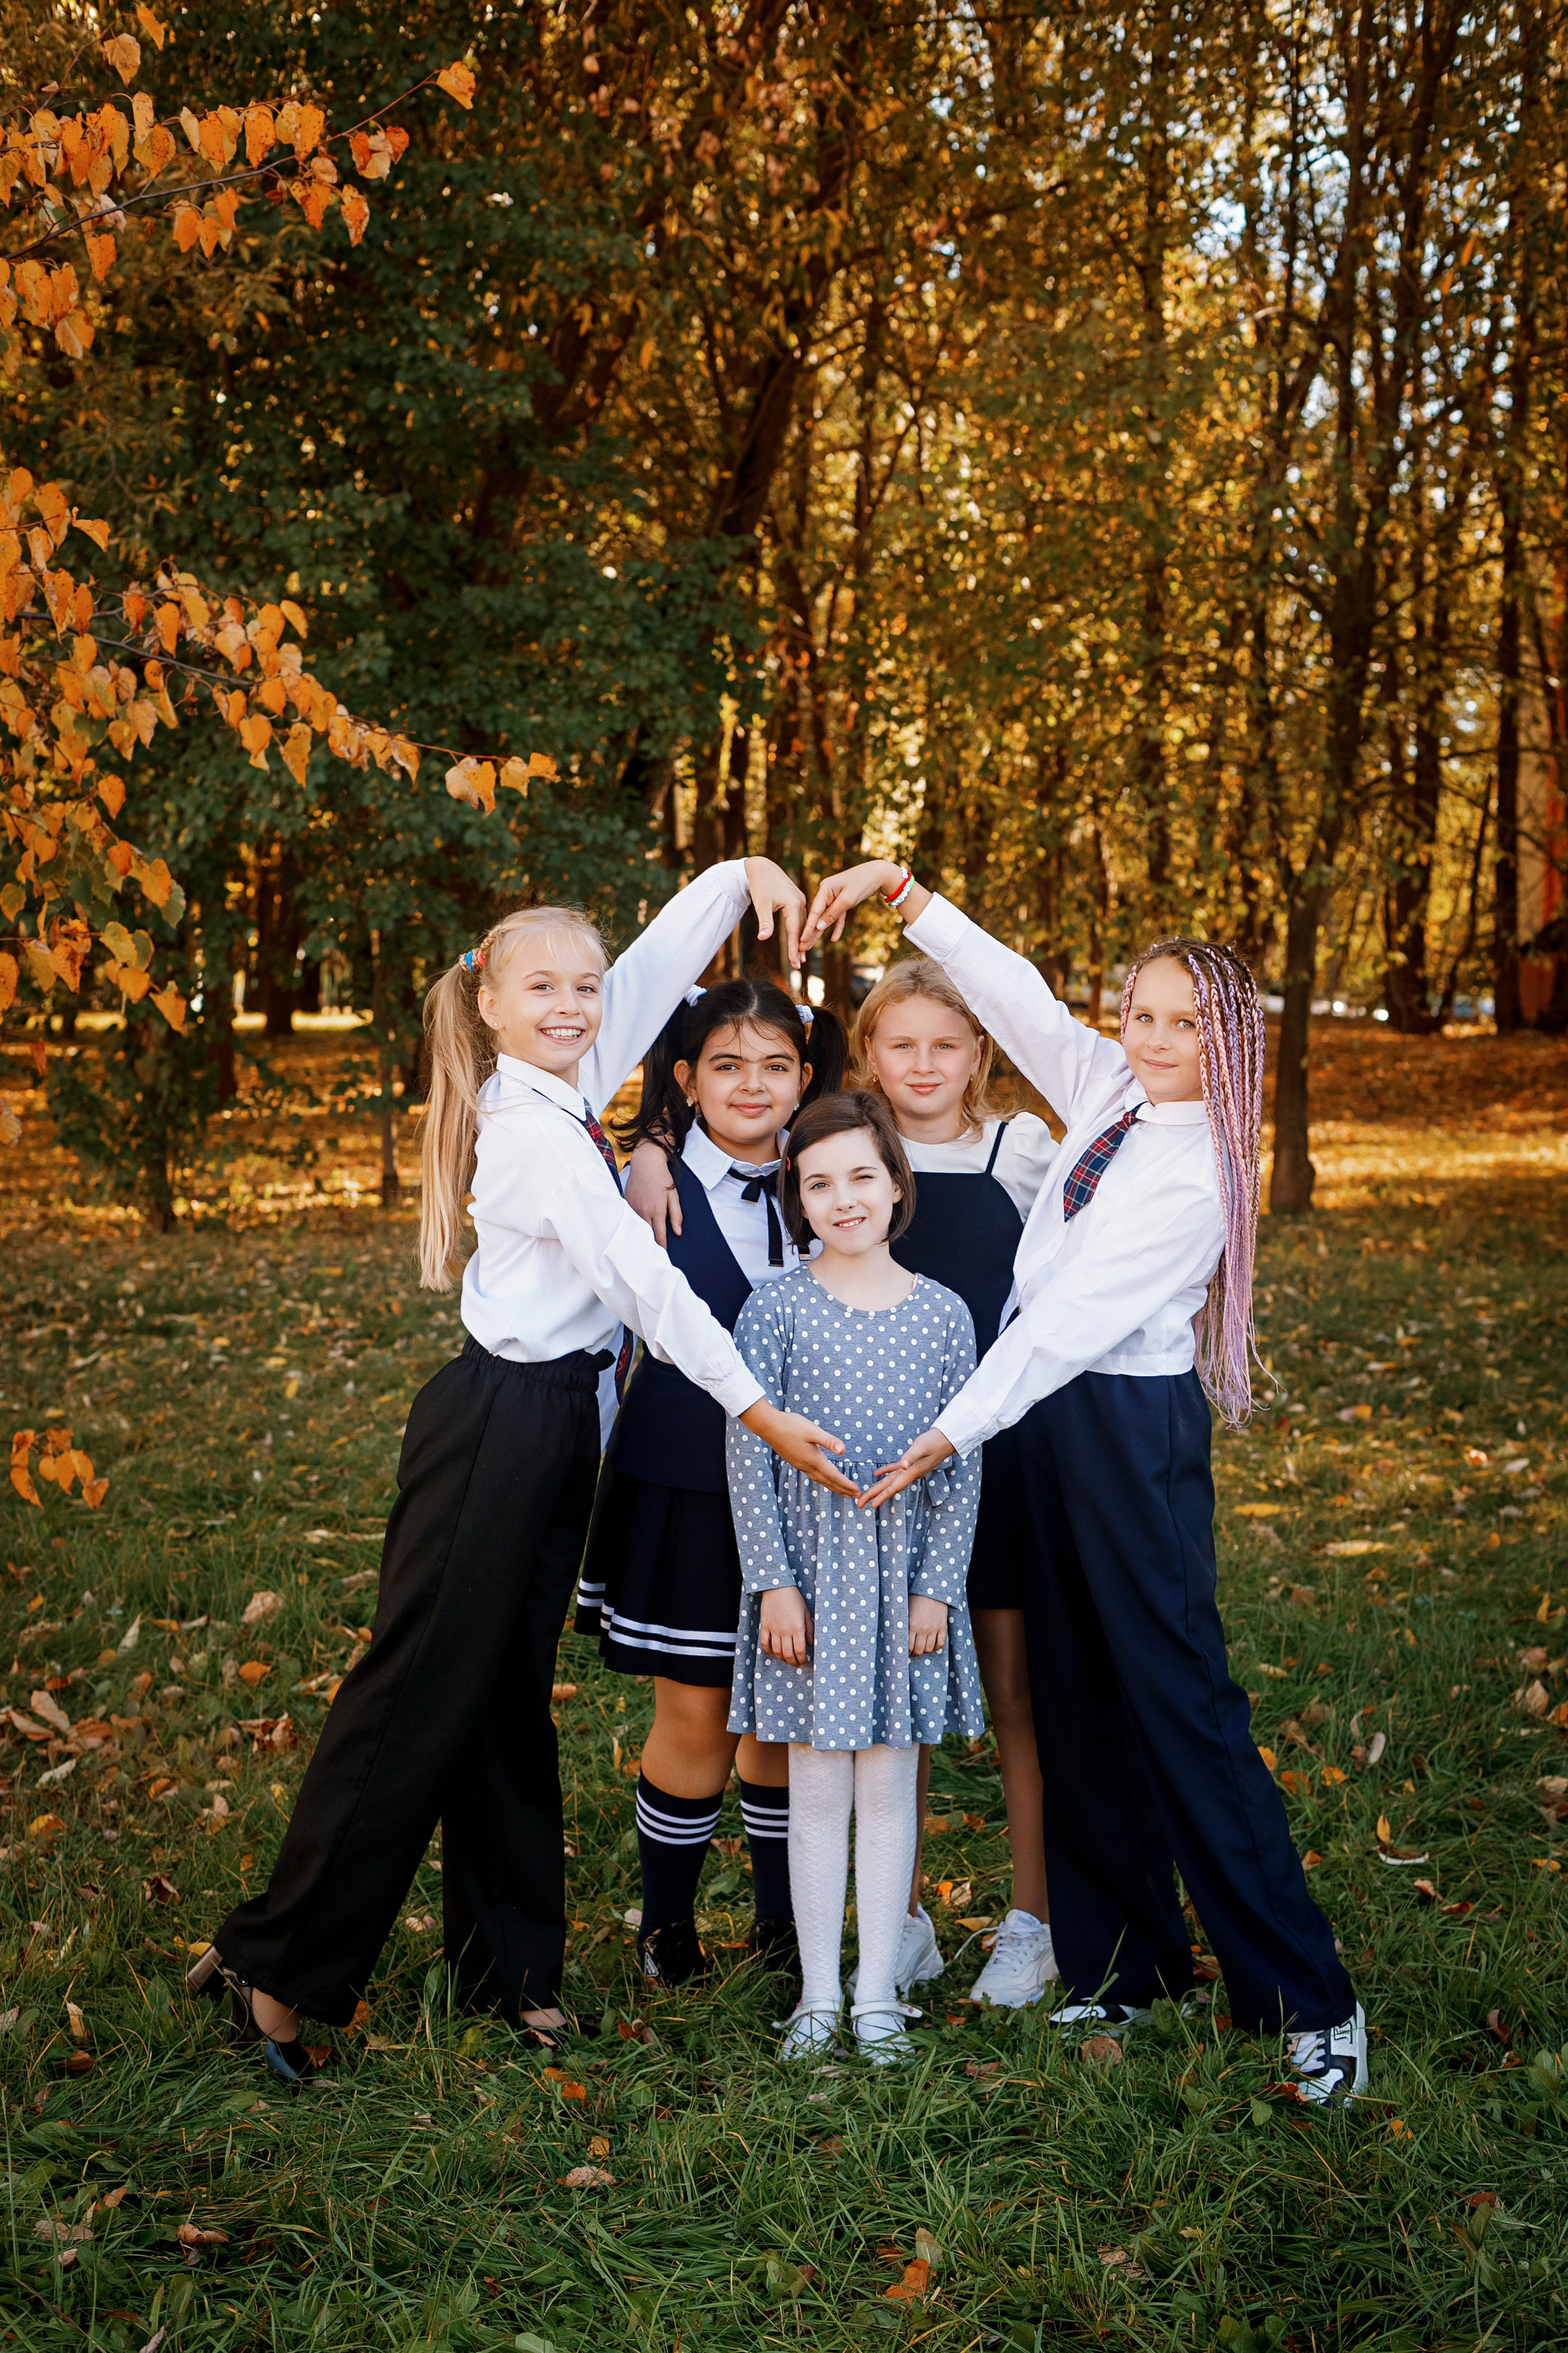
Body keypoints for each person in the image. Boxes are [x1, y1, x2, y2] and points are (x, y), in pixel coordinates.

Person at [187, 860, 861, 2082]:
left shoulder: (565, 1080)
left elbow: (651, 970)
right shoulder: (533, 1127)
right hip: (495, 1427)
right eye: (542, 986)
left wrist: (737, 880)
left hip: (556, 1427)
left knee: (501, 1700)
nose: (573, 1004)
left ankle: (508, 1965)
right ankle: (274, 1967)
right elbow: (642, 1282)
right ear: (486, 999)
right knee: (418, 1697)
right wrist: (758, 1409)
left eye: (585, 987)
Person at [800, 862, 1366, 2106]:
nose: (1153, 1039)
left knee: (1180, 1704)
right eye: (1141, 1011)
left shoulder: (1201, 1167)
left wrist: (946, 1434)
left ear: (1227, 1041)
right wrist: (912, 896)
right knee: (1072, 1696)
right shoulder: (1108, 1088)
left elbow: (1063, 1322)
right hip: (1042, 1422)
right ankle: (1123, 1961)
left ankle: (1307, 1999)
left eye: (1183, 1021)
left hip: (1119, 1422)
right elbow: (1015, 1001)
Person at [576, 977, 847, 1987]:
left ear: (806, 1077)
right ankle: (667, 1924)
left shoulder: (832, 1179)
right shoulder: (640, 1186)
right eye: (726, 1064)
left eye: (776, 1065)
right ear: (685, 1079)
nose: (753, 1084)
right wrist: (650, 1139)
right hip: (685, 1480)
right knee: (695, 1710)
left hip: (804, 1489)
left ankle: (783, 1924)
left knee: (782, 1717)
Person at [725, 1091, 984, 2064]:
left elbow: (965, 1461)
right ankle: (820, 1996)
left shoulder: (944, 1314)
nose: (844, 1198)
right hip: (810, 1582)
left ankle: (878, 1992)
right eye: (819, 1181)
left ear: (896, 1184)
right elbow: (747, 1456)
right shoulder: (775, 1306)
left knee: (889, 1785)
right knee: (817, 1785)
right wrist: (773, 1585)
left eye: (861, 1176)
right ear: (798, 1195)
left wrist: (936, 1588)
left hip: (902, 1582)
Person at [851, 957, 1059, 2011]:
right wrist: (653, 1151)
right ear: (869, 1053)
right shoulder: (853, 1157)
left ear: (981, 1052)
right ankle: (904, 1918)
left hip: (1003, 1452)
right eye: (902, 1044)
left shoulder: (1020, 1151)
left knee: (1015, 1688)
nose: (923, 1064)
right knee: (902, 1697)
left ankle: (1034, 1918)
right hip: (889, 1470)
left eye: (947, 1043)